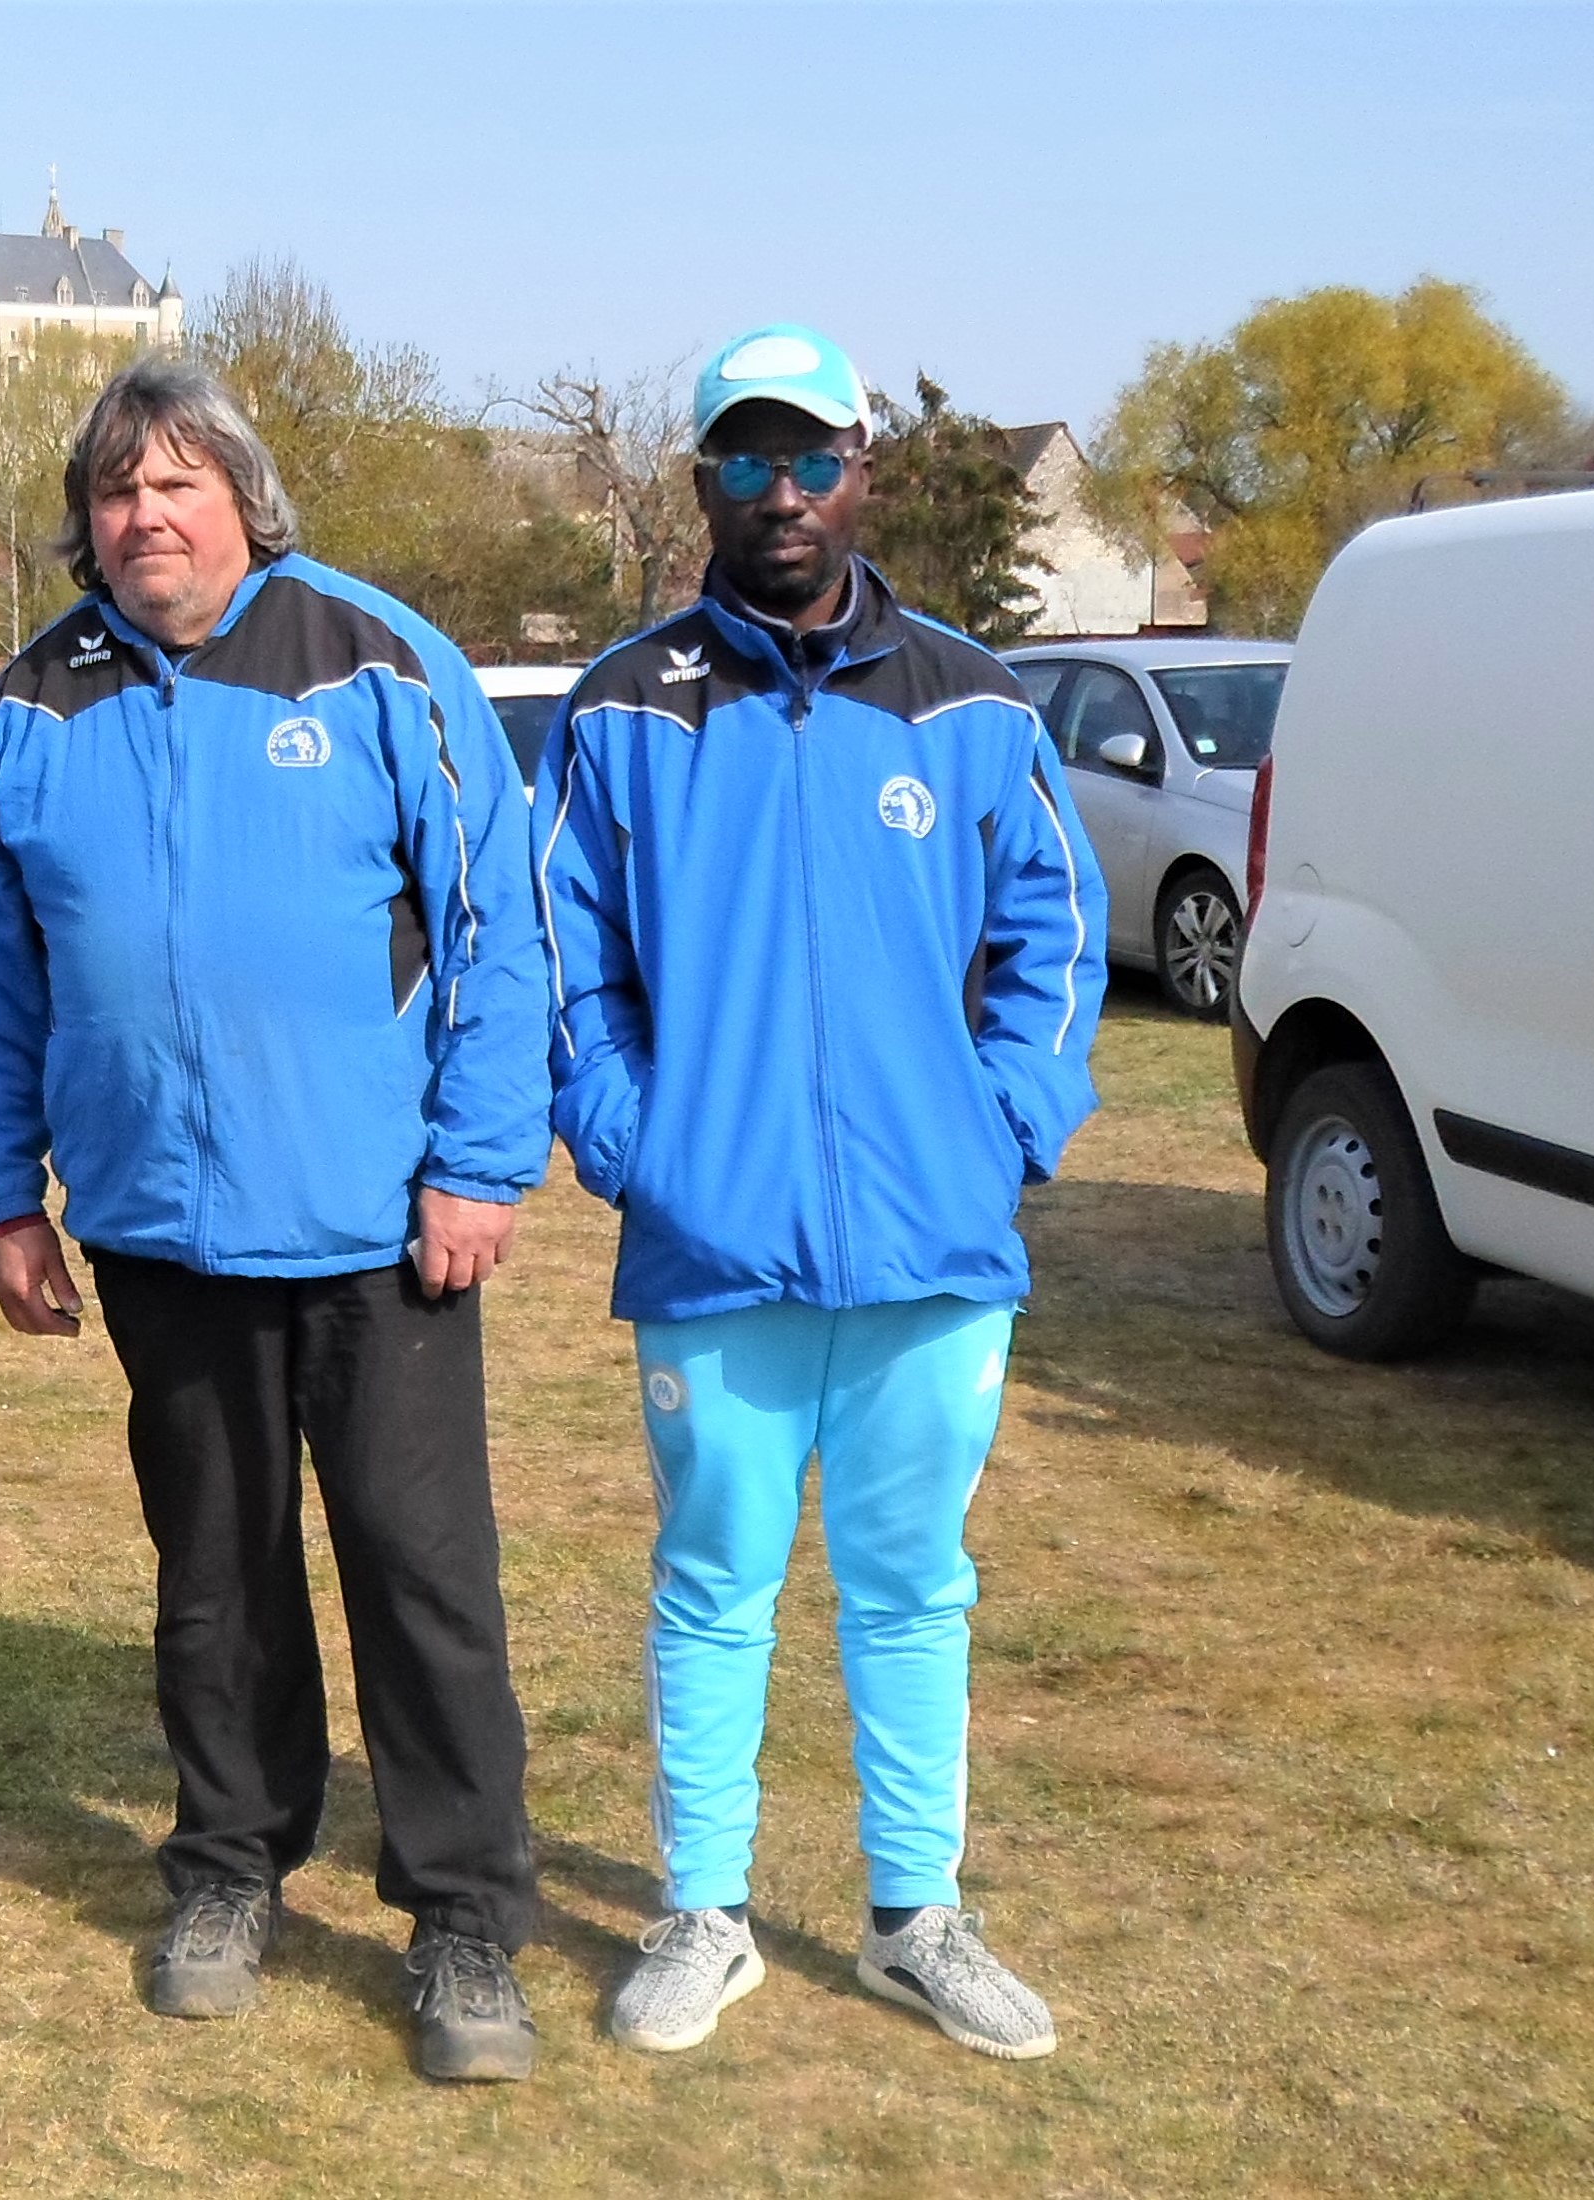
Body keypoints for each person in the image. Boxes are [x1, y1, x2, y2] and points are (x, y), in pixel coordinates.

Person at [0, 358, 554, 2083]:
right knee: (212, 1578)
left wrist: (478, 1167)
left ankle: (461, 1921)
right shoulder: (26, 713)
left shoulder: (375, 661)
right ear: (88, 522)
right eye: (118, 492)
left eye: (177, 485)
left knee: (420, 1580)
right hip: (156, 1233)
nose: (146, 517)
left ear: (243, 501)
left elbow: (498, 929)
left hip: (376, 1227)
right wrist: (1, 1199)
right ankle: (227, 1866)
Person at [535, 325, 1107, 2061]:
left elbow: (1054, 946)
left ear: (860, 469)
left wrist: (1002, 1126)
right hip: (713, 1245)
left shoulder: (973, 700)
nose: (776, 495)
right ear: (696, 477)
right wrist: (641, 1146)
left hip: (931, 1247)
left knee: (911, 1584)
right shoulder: (624, 707)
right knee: (711, 1579)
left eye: (806, 459)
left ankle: (912, 1916)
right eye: (739, 461)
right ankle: (701, 1911)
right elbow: (572, 968)